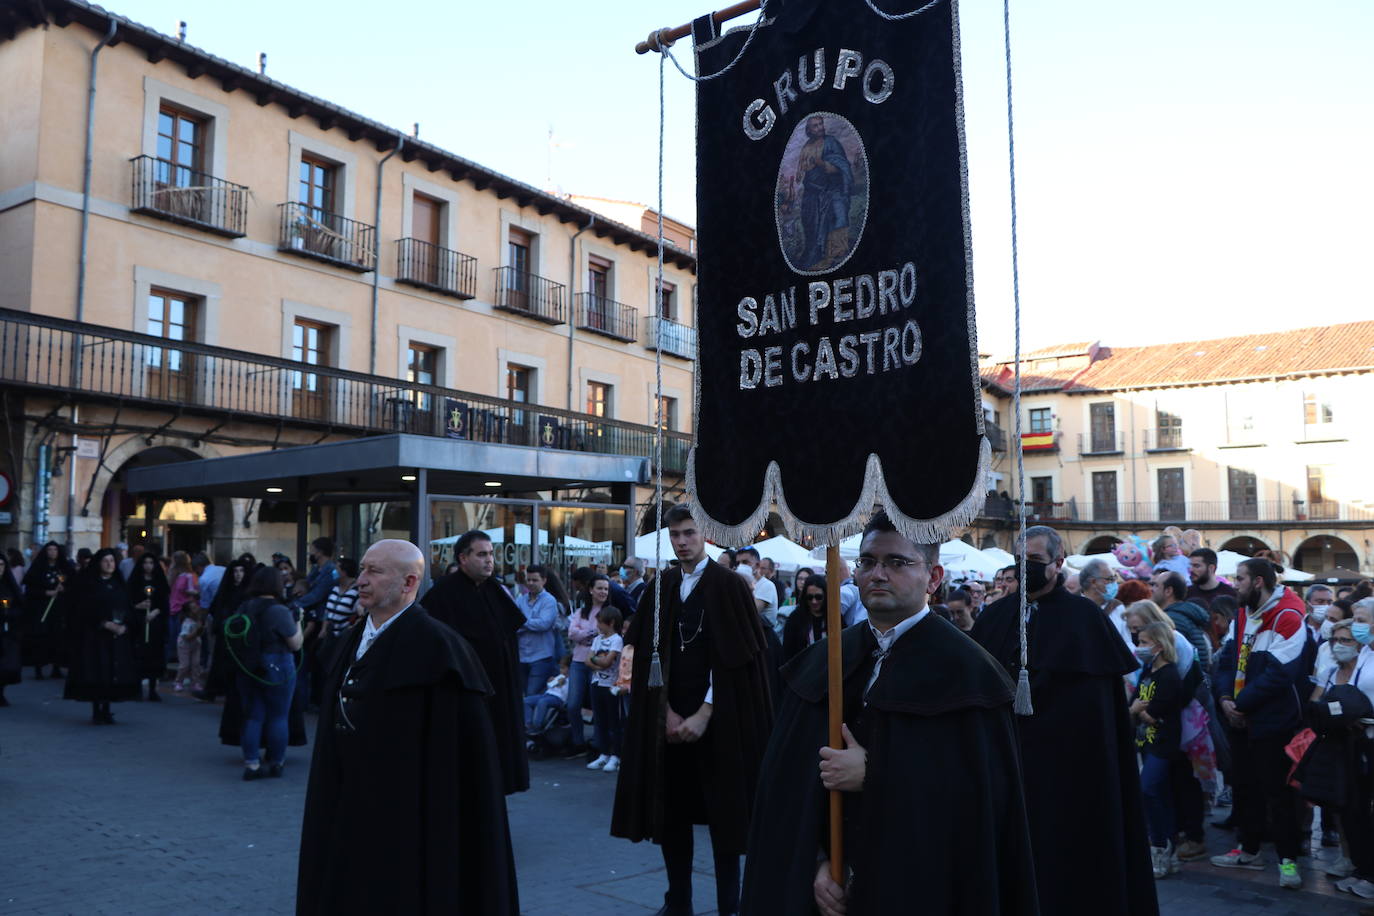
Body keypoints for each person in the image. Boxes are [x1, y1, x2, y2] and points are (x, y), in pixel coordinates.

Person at [742, 513, 1037, 915]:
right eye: (867, 562)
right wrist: (816, 863)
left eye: (897, 563)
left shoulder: (970, 672)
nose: (877, 574)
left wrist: (876, 773)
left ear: (933, 578)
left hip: (919, 884)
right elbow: (784, 787)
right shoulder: (824, 661)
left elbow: (977, 803)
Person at [297, 539, 518, 915]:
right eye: (363, 568)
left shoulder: (440, 650)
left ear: (408, 582)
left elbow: (462, 762)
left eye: (374, 571)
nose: (360, 580)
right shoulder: (353, 638)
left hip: (409, 818)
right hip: (346, 803)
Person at [972, 525, 1156, 915]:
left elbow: (1097, 717)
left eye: (1035, 561)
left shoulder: (1084, 619)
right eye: (1019, 561)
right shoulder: (996, 615)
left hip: (1068, 773)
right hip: (1006, 766)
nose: (1026, 569)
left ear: (1058, 564)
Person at [613, 504, 774, 916]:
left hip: (719, 724)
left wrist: (705, 713)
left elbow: (738, 662)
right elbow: (648, 654)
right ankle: (678, 901)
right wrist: (664, 713)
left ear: (706, 535)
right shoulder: (662, 585)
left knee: (725, 819)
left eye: (689, 533)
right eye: (675, 535)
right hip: (668, 721)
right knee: (672, 816)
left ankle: (729, 906)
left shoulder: (730, 585)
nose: (682, 542)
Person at [1210, 557, 1310, 889]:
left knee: (1277, 794)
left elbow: (1279, 674)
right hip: (1240, 718)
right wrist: (1226, 699)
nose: (1233, 584)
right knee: (1245, 787)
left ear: (1257, 582)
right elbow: (1225, 660)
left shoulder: (1289, 615)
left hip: (1273, 721)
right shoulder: (1242, 613)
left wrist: (1240, 704)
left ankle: (1288, 861)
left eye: (1239, 578)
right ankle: (1248, 849)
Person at [419, 529, 528, 795]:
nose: (489, 560)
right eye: (481, 555)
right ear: (463, 558)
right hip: (466, 694)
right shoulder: (442, 595)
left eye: (491, 554)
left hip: (500, 690)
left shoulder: (496, 591)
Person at [231, 566, 304, 780]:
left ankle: (251, 763)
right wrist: (298, 621)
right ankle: (276, 762)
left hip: (249, 666)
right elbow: (296, 644)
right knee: (279, 716)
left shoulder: (244, 607)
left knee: (253, 716)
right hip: (278, 663)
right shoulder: (279, 611)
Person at [1131, 621, 1188, 879]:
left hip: (1163, 743)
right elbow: (1136, 706)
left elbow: (1153, 714)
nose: (1139, 647)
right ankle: (1168, 846)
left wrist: (1138, 711)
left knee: (1148, 788)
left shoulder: (1169, 675)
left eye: (1144, 642)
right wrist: (1138, 710)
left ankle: (1159, 844)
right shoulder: (1147, 671)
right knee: (1159, 794)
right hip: (1146, 742)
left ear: (1159, 644)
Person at [63, 549, 140, 724]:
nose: (109, 564)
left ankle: (107, 708)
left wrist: (124, 625)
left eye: (112, 561)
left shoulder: (120, 585)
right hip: (95, 638)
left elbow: (128, 608)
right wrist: (104, 623)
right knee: (97, 671)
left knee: (113, 672)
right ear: (99, 563)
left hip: (117, 637)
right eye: (105, 561)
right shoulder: (90, 585)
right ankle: (97, 708)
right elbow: (82, 611)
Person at [200, 560, 251, 702]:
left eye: (241, 571)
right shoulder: (226, 589)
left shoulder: (247, 592)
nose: (238, 575)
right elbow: (215, 606)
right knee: (219, 662)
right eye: (236, 571)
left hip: (239, 633)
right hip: (224, 631)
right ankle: (212, 691)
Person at [21, 541, 71, 679]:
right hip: (41, 609)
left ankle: (56, 667)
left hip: (58, 609)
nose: (53, 552)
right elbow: (30, 588)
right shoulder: (38, 568)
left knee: (57, 638)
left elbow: (73, 584)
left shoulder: (64, 567)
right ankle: (38, 668)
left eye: (55, 549)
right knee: (40, 639)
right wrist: (45, 593)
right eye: (49, 549)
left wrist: (64, 589)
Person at [565, 576, 603, 758]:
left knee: (598, 705)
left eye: (606, 589)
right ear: (591, 590)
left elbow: (607, 636)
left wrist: (584, 635)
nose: (603, 592)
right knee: (573, 704)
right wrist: (590, 633)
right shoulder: (582, 611)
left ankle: (597, 743)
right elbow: (572, 633)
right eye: (600, 588)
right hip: (579, 661)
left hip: (598, 663)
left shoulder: (610, 612)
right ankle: (578, 741)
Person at [127, 552, 170, 701]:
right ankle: (136, 688)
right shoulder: (134, 581)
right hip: (139, 622)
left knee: (154, 656)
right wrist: (138, 606)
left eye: (151, 563)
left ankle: (153, 688)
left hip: (155, 622)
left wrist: (155, 612)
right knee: (139, 655)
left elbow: (164, 603)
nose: (148, 566)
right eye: (145, 563)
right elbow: (128, 601)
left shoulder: (160, 581)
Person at [586, 605, 625, 772]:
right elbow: (587, 661)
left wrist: (597, 661)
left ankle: (616, 755)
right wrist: (598, 662)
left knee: (613, 721)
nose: (598, 626)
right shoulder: (597, 639)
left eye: (601, 622)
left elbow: (608, 662)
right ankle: (604, 753)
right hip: (597, 684)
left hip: (611, 686)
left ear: (611, 623)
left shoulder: (617, 639)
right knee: (600, 720)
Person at [1151, 570, 1212, 672]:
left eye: (1156, 585)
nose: (1152, 589)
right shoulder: (1181, 614)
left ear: (1168, 591)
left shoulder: (1172, 619)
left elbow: (1170, 657)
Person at [515, 564, 560, 698]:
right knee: (523, 695)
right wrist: (530, 623)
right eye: (528, 580)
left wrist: (522, 622)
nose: (530, 583)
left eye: (535, 580)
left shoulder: (549, 601)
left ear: (544, 580)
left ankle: (531, 720)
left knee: (531, 695)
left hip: (541, 656)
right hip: (521, 655)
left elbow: (544, 624)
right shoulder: (520, 600)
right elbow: (511, 623)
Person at [781, 574, 828, 662]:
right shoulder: (795, 618)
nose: (814, 601)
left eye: (818, 597)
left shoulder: (834, 617)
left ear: (825, 596)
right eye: (810, 597)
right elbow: (788, 652)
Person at [167, 551, 199, 666]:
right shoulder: (174, 575)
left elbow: (191, 591)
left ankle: (181, 661)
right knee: (173, 635)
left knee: (179, 636)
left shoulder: (187, 576)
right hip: (173, 608)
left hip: (182, 610)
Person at [524, 656, 569, 736]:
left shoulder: (571, 680)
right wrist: (550, 682)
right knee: (526, 700)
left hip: (558, 698)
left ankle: (537, 726)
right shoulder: (560, 676)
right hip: (547, 694)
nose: (561, 670)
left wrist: (563, 684)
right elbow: (551, 688)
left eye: (563, 668)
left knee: (542, 702)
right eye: (560, 668)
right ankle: (528, 724)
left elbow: (566, 695)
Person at [0, 552, 23, 706]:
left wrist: (9, 612)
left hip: (7, 630)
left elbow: (20, 605)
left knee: (6, 665)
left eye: (1, 565)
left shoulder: (9, 585)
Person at [175, 602, 207, 692]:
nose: (197, 609)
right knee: (184, 665)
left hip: (196, 644)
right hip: (184, 645)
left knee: (196, 664)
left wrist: (201, 630)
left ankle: (195, 683)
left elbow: (200, 633)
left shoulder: (199, 620)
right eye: (194, 608)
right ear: (189, 612)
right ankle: (179, 682)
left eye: (196, 606)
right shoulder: (187, 622)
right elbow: (186, 637)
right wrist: (197, 631)